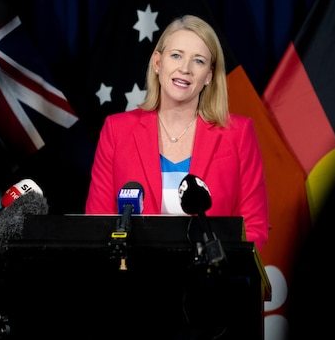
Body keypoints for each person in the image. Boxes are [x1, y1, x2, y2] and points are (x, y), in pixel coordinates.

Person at [85, 14, 269, 251]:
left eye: (199, 61)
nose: (185, 69)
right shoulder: (117, 130)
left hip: (211, 281)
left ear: (209, 76)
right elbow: (96, 221)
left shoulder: (238, 133)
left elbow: (254, 226)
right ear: (157, 62)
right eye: (176, 56)